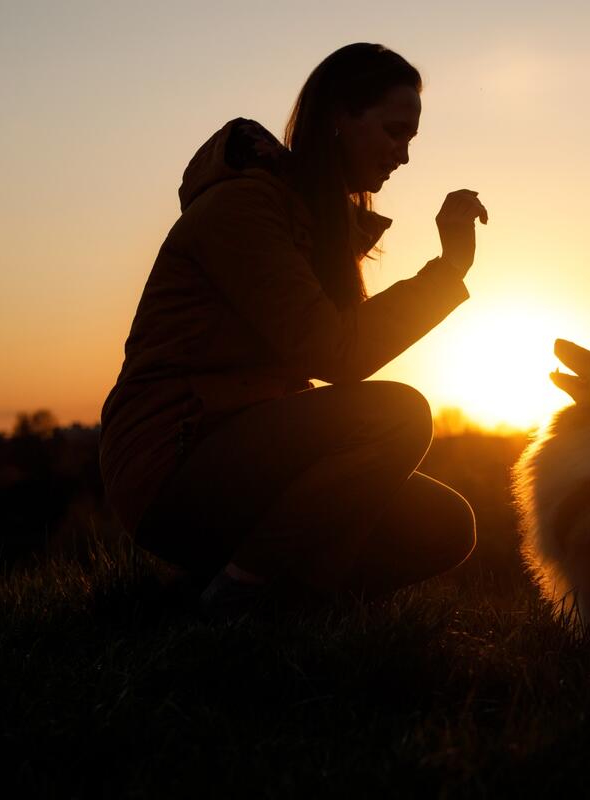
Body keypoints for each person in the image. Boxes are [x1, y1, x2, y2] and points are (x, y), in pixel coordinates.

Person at [98, 43, 488, 616]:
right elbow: (335, 354)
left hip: (246, 451)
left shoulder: (314, 220)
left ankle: (271, 601)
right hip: (172, 462)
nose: (403, 156)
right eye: (393, 132)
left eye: (411, 139)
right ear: (338, 117)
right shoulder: (244, 209)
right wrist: (447, 272)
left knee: (446, 524)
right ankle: (236, 603)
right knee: (398, 415)